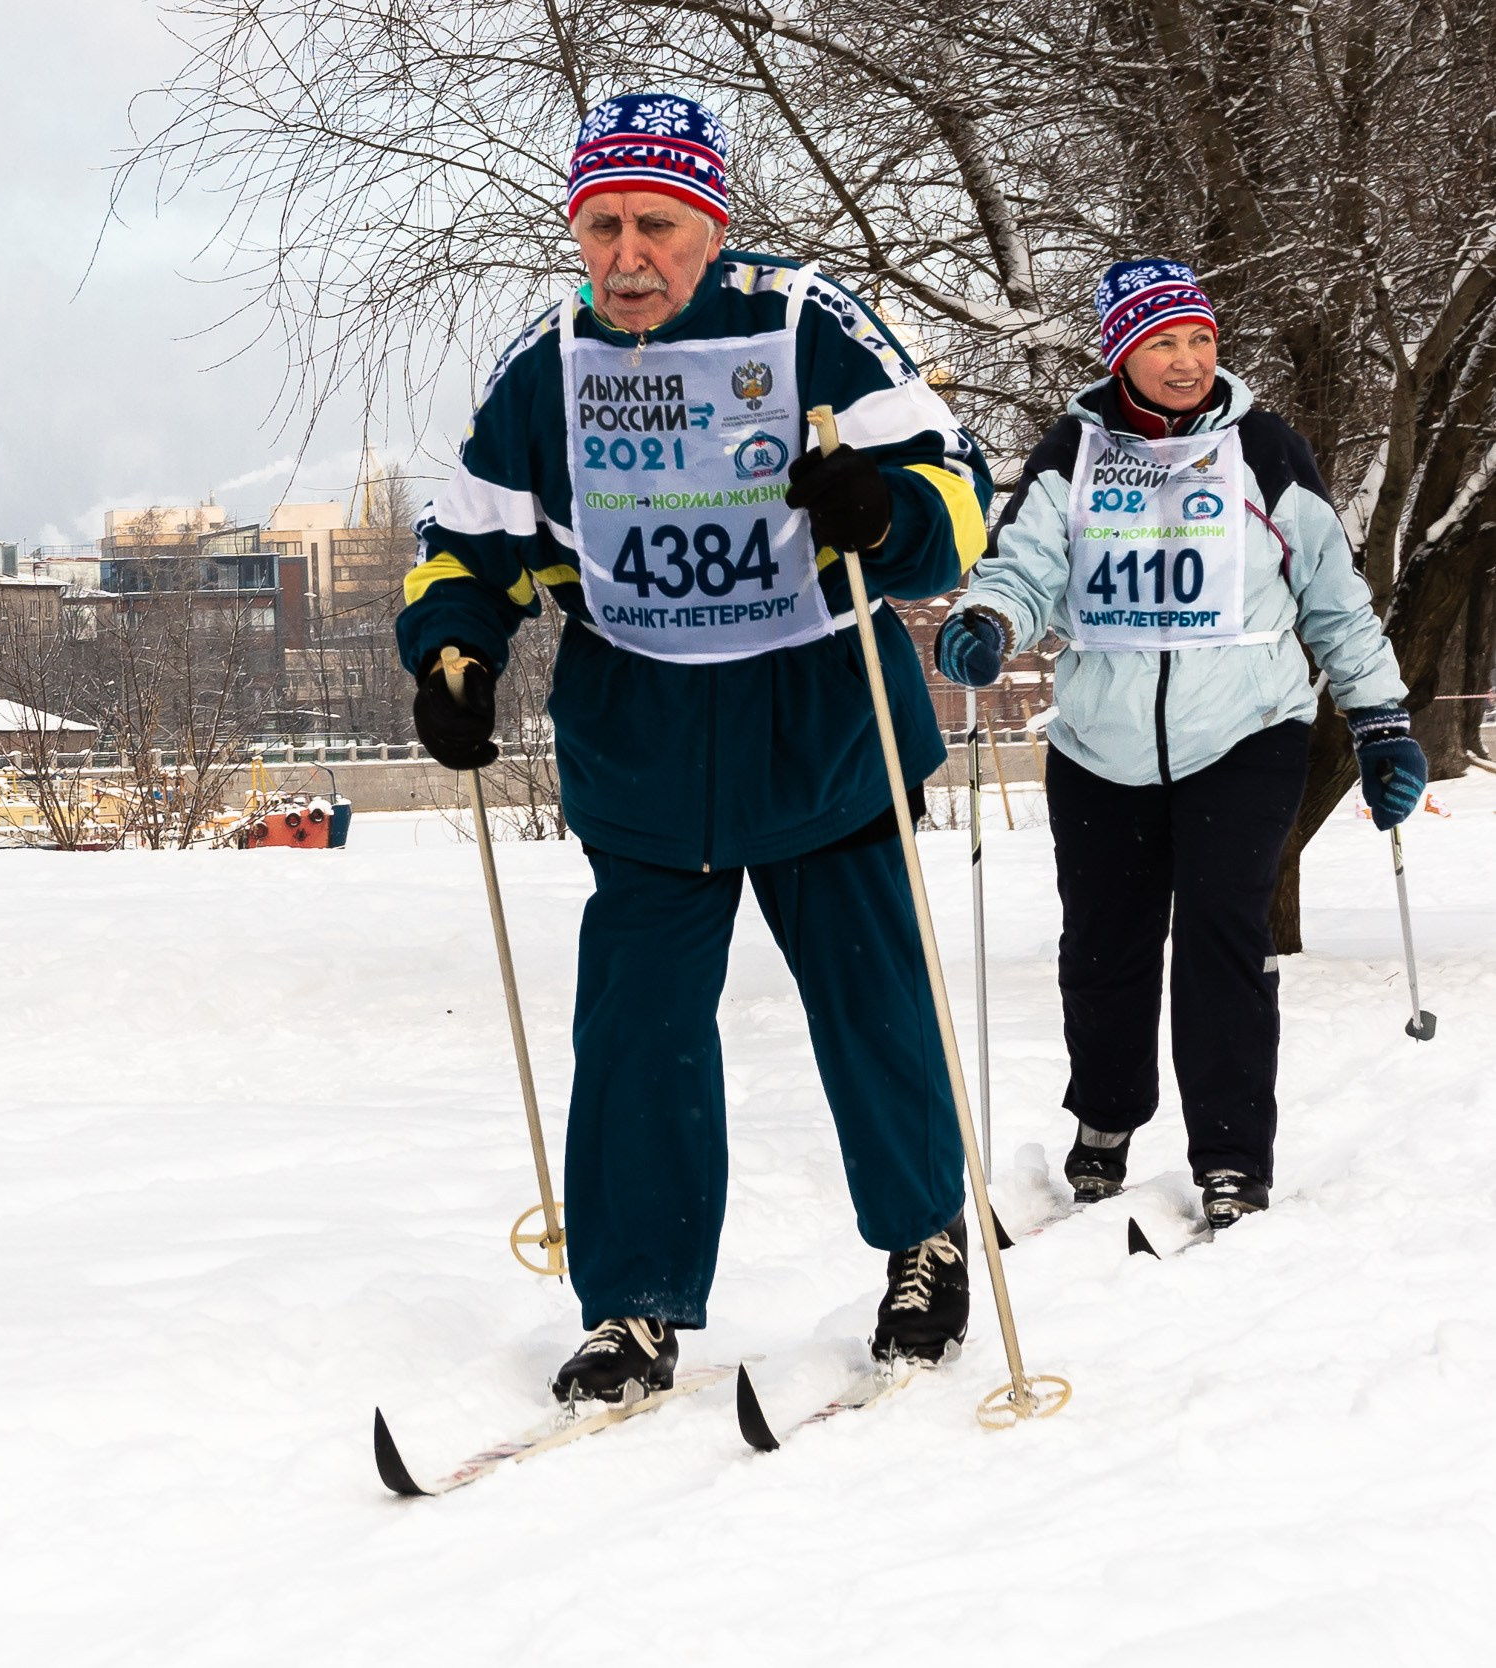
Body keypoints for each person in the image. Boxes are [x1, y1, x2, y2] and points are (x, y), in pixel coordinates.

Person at [397, 92, 995, 1402]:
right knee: (638, 1035)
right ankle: (633, 1308)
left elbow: (959, 498)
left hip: (823, 734)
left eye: (655, 225)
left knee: (875, 1010)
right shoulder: (545, 365)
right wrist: (454, 654)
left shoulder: (805, 325)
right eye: (600, 225)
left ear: (709, 225)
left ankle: (926, 1240)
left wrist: (880, 509)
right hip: (645, 750)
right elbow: (465, 547)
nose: (626, 255)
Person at [934, 259, 1423, 1230]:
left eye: (1199, 338)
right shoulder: (1072, 451)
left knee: (1219, 937)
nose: (1187, 358)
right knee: (1102, 950)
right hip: (1099, 743)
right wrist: (988, 618)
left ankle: (1232, 1159)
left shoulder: (1264, 449)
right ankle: (1106, 1122)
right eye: (1162, 341)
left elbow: (1330, 596)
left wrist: (1378, 720)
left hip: (1244, 730)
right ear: (1120, 351)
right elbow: (1026, 565)